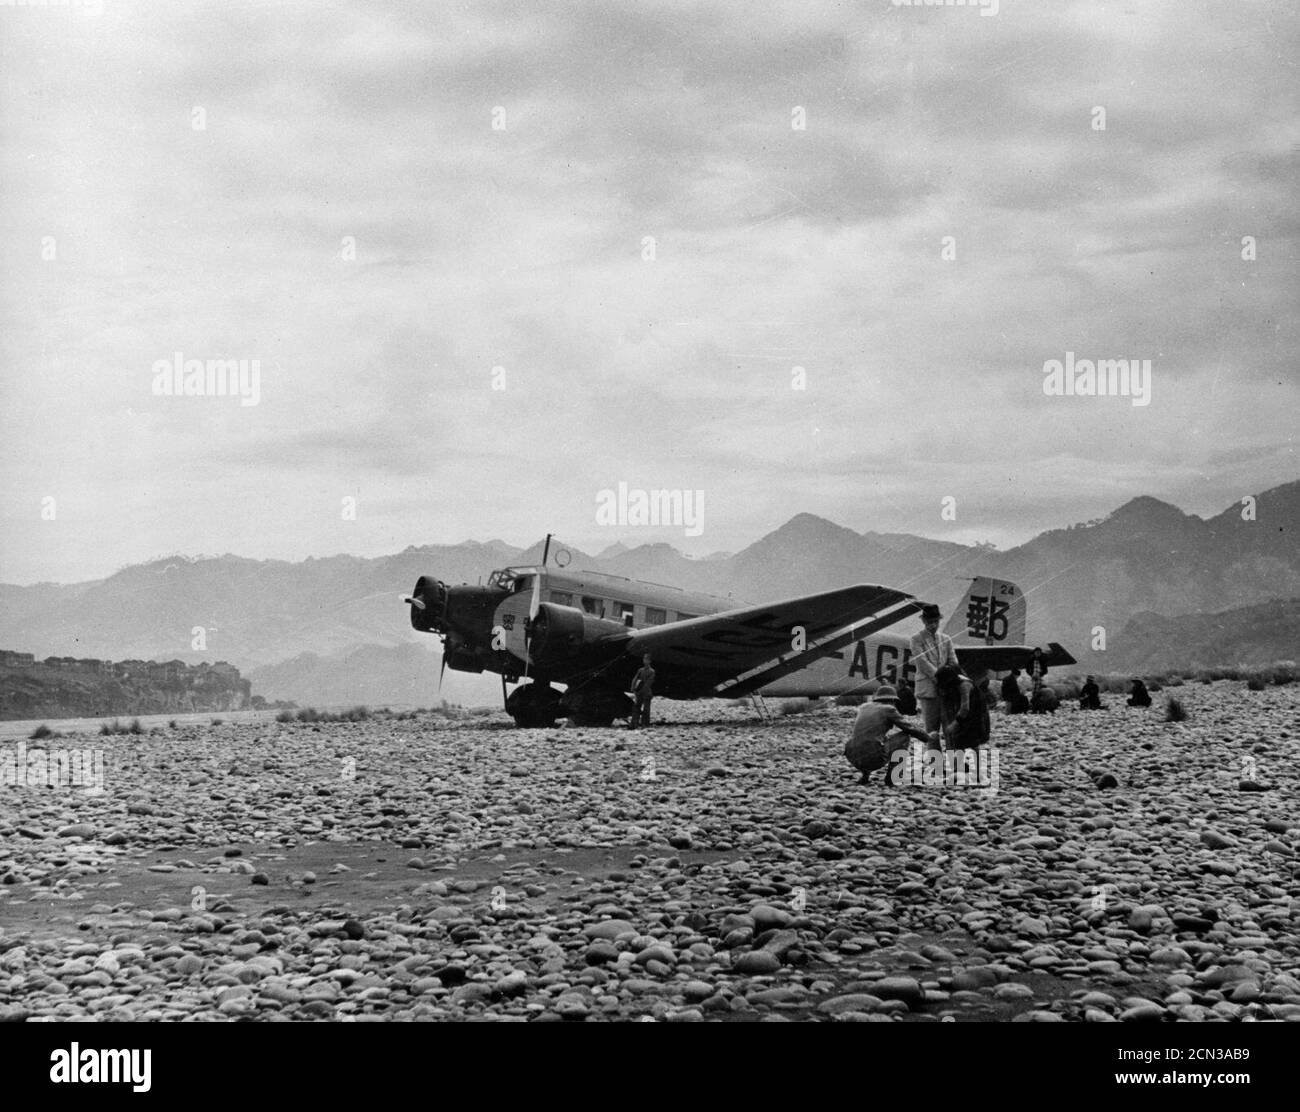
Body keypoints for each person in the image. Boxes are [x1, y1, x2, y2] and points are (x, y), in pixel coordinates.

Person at [844, 684, 936, 786]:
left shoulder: (864, 707)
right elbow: (910, 728)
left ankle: (865, 776)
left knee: (867, 740)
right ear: (893, 700)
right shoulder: (889, 709)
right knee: (904, 737)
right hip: (873, 759)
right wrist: (928, 737)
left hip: (853, 757)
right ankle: (892, 778)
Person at [909, 603, 958, 744]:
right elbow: (922, 662)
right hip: (929, 691)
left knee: (950, 728)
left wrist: (949, 677)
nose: (933, 625)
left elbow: (953, 662)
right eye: (930, 622)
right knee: (931, 730)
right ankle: (935, 764)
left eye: (936, 621)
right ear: (924, 621)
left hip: (947, 690)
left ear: (939, 621)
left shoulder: (946, 639)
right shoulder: (916, 639)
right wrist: (941, 677)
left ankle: (954, 762)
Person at [935, 663, 990, 750]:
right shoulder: (955, 680)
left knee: (973, 740)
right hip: (967, 713)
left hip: (976, 712)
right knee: (960, 740)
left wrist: (955, 723)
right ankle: (961, 762)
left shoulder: (964, 685)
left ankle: (978, 762)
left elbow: (965, 708)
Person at [629, 654, 656, 727]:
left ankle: (645, 724)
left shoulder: (652, 671)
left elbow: (648, 683)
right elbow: (635, 679)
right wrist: (633, 688)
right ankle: (634, 723)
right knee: (636, 707)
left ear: (650, 661)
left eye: (647, 659)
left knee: (646, 709)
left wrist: (639, 690)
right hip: (639, 691)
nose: (645, 661)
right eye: (644, 659)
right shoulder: (640, 670)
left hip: (646, 692)